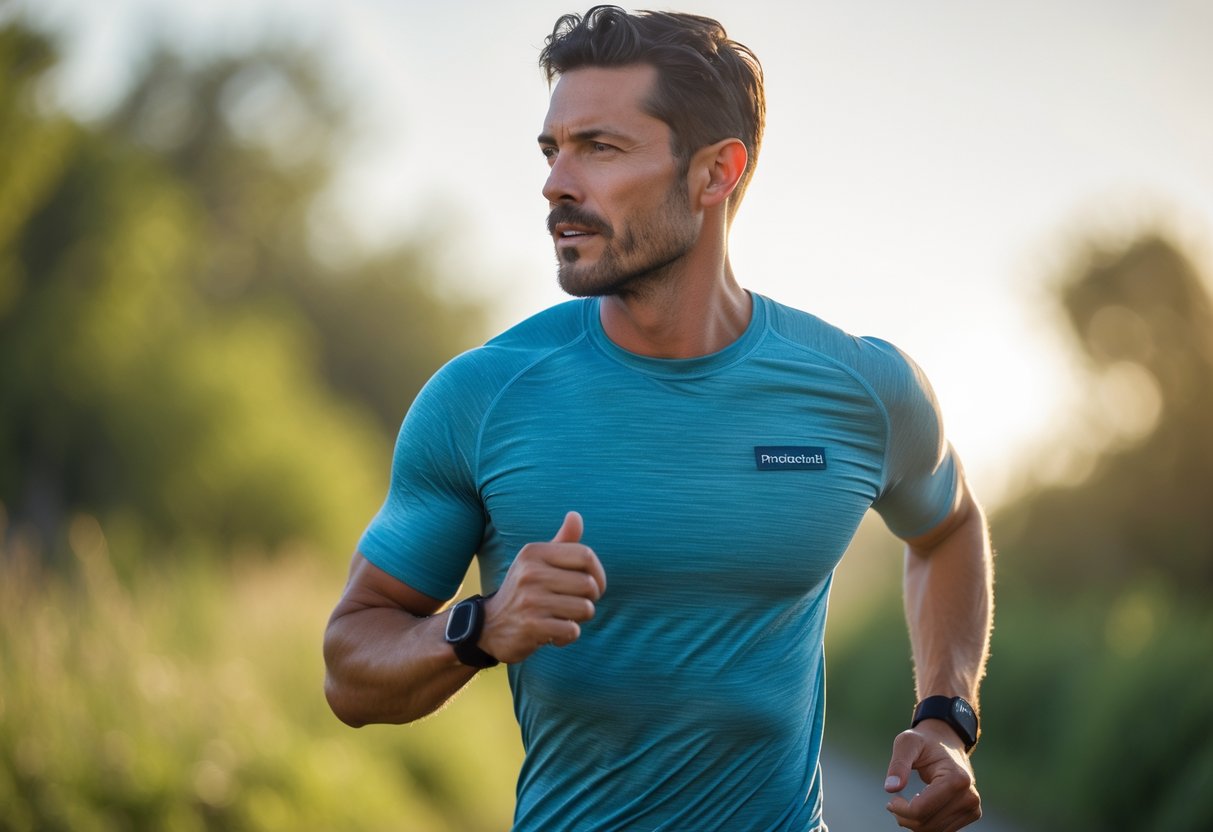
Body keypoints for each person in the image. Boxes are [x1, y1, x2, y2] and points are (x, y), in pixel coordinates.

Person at [323, 6, 994, 832]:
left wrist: (945, 717)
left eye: (599, 148)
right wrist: (481, 627)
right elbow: (349, 672)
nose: (555, 183)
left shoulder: (860, 388)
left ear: (715, 173)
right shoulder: (482, 397)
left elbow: (948, 528)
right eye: (551, 149)